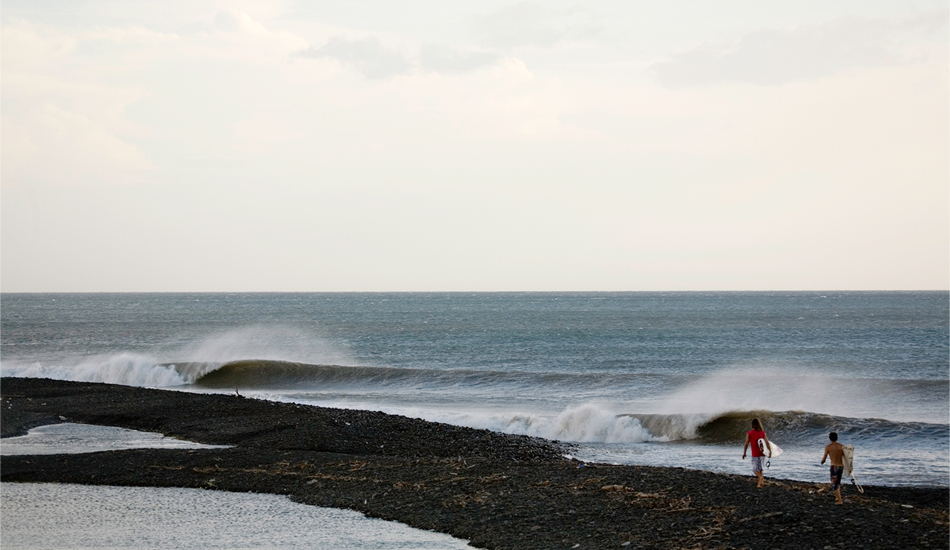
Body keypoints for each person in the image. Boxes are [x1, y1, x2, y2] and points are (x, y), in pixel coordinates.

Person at [742, 418, 772, 487]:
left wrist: (744, 453)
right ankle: (760, 483)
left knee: (754, 469)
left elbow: (746, 444)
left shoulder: (749, 433)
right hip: (762, 453)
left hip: (755, 453)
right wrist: (769, 451)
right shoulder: (762, 433)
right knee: (760, 468)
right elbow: (767, 443)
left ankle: (760, 478)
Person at [821, 432, 845, 504]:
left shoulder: (828, 447)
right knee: (838, 482)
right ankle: (837, 497)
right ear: (837, 438)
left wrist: (822, 461)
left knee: (834, 483)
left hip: (834, 466)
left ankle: (840, 500)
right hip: (840, 466)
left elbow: (824, 458)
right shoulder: (842, 446)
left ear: (830, 438)